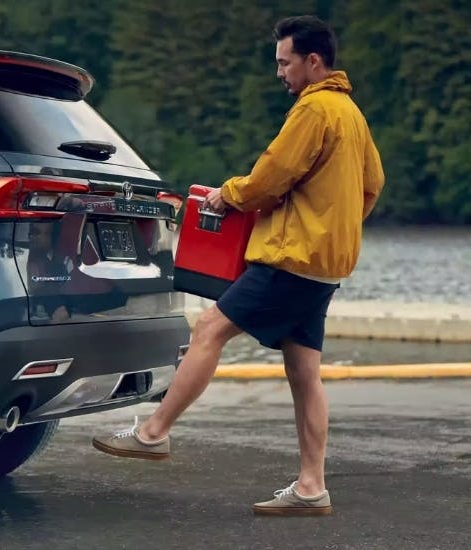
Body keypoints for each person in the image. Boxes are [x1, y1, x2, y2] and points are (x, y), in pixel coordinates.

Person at [91, 15, 385, 517]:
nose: (279, 73)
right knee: (303, 371)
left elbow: (270, 176)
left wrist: (228, 196)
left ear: (314, 63)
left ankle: (152, 433)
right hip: (325, 265)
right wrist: (336, 227)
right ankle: (312, 488)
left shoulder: (314, 110)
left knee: (209, 328)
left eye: (285, 62)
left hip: (292, 259)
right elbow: (373, 183)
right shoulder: (351, 114)